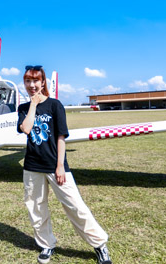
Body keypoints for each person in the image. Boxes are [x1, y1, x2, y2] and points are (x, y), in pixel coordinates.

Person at [17, 65, 112, 264]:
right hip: (32, 166)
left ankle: (100, 245)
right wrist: (33, 105)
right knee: (36, 208)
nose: (32, 85)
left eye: (35, 81)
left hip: (55, 166)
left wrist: (60, 166)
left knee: (75, 206)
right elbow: (26, 129)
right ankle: (46, 245)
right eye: (28, 81)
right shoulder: (23, 109)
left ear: (43, 82)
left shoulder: (55, 105)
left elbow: (61, 137)